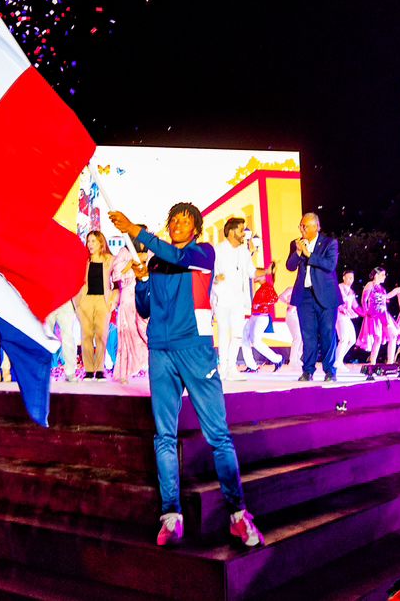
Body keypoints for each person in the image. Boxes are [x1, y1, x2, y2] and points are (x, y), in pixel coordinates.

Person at [108, 205, 262, 549]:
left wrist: (135, 229)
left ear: (196, 227)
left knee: (218, 435)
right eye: (173, 220)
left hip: (195, 350)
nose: (177, 224)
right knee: (164, 435)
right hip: (160, 352)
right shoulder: (157, 261)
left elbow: (175, 255)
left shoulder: (201, 253)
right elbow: (146, 308)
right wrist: (144, 281)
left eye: (184, 220)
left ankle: (237, 513)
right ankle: (171, 515)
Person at [285, 213, 342, 382]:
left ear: (317, 226)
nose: (302, 229)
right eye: (301, 225)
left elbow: (329, 265)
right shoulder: (296, 243)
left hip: (326, 296)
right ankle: (307, 371)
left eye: (306, 226)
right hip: (305, 296)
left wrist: (308, 254)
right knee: (307, 335)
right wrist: (297, 252)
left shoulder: (329, 243)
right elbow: (290, 266)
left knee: (327, 334)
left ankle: (330, 371)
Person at [212, 218, 257, 383]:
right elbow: (210, 275)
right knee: (224, 333)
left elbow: (252, 272)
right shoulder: (217, 250)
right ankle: (222, 368)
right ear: (231, 232)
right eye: (241, 230)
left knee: (237, 334)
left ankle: (232, 367)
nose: (243, 234)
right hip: (222, 298)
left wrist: (266, 271)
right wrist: (216, 278)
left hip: (238, 300)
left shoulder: (244, 251)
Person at [78, 231, 117, 380]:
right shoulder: (84, 260)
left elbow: (118, 279)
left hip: (103, 301)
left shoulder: (110, 260)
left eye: (93, 241)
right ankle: (88, 370)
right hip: (86, 301)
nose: (90, 244)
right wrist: (78, 303)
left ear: (101, 243)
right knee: (86, 336)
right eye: (88, 241)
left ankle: (100, 369)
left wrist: (114, 299)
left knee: (102, 336)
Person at [113, 244, 149, 383]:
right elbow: (116, 274)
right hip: (128, 295)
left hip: (146, 293)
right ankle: (125, 371)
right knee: (128, 331)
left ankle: (148, 365)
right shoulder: (124, 252)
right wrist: (131, 262)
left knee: (146, 330)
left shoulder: (149, 251)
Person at [240, 263, 283, 373]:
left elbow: (274, 298)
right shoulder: (261, 288)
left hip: (261, 317)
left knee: (256, 341)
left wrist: (262, 304)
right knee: (244, 338)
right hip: (254, 316)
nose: (254, 277)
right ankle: (251, 365)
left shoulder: (267, 286)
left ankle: (277, 359)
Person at [357, 267, 399, 368]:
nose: (384, 277)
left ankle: (390, 362)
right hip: (374, 314)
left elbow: (384, 301)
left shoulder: (382, 289)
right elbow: (364, 300)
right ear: (376, 275)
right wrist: (366, 312)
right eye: (382, 275)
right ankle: (372, 363)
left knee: (392, 335)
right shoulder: (370, 284)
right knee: (378, 338)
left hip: (383, 314)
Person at [334, 272, 359, 372]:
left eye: (351, 278)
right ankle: (337, 362)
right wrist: (341, 308)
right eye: (348, 278)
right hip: (339, 315)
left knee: (352, 340)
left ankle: (338, 360)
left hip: (347, 316)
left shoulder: (351, 292)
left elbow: (355, 305)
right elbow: (336, 300)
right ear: (343, 277)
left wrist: (365, 313)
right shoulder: (338, 287)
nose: (350, 280)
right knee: (344, 339)